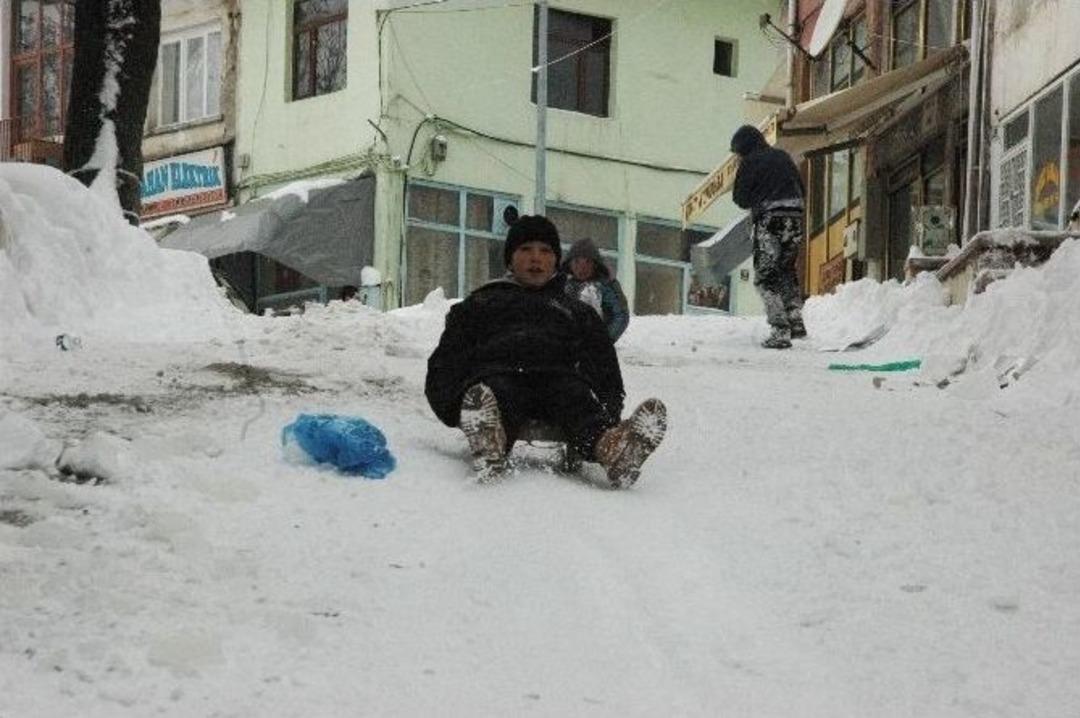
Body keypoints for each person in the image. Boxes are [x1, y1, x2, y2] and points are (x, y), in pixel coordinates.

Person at [425, 215, 667, 487]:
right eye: (525, 249)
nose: (535, 258)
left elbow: (603, 364)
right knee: (496, 396)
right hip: (500, 375)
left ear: (555, 261)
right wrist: (452, 406)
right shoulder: (483, 302)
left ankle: (612, 447)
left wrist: (610, 413)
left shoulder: (574, 310)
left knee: (577, 400)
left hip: (558, 379)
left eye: (545, 251)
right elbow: (447, 360)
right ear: (510, 258)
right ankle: (489, 438)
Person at [731, 124, 808, 349]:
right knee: (786, 270)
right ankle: (795, 320)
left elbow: (740, 198)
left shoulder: (749, 162)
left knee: (766, 277)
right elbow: (801, 189)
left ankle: (780, 329)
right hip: (795, 217)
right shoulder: (782, 156)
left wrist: (746, 176)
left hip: (770, 219)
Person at [561, 237, 630, 342]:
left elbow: (620, 315)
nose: (581, 268)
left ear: (595, 264)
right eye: (576, 262)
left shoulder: (607, 286)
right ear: (569, 263)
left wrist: (603, 341)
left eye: (587, 262)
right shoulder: (562, 284)